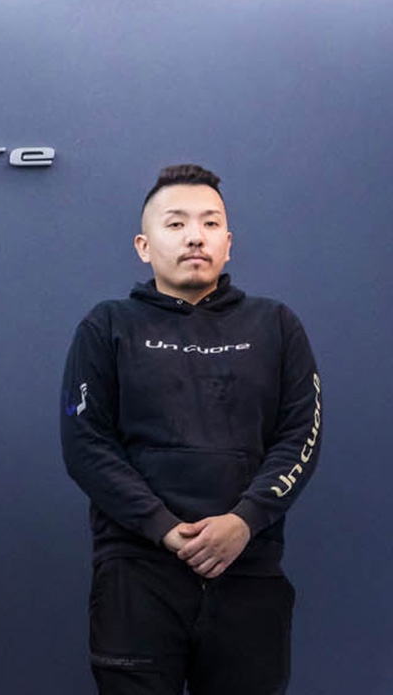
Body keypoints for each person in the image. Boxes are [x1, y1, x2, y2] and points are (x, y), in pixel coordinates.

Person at [60, 163, 323, 694]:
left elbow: (302, 434)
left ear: (228, 242)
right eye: (176, 223)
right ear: (143, 246)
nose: (195, 237)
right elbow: (85, 443)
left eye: (209, 223)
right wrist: (161, 526)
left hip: (248, 570)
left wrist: (245, 521)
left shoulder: (276, 325)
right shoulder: (106, 325)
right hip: (137, 573)